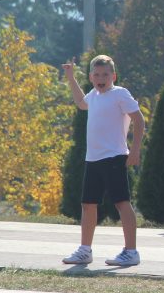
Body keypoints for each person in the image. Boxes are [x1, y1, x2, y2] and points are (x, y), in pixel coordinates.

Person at [61, 54, 145, 267]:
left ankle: (131, 252)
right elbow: (81, 103)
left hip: (114, 157)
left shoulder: (120, 94)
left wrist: (135, 150)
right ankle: (85, 251)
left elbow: (139, 119)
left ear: (113, 76)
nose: (101, 78)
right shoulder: (93, 95)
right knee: (88, 204)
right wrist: (71, 78)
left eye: (105, 74)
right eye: (96, 75)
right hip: (93, 159)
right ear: (91, 77)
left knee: (122, 202)